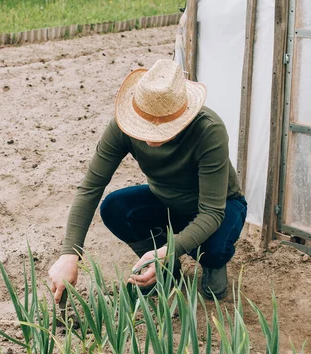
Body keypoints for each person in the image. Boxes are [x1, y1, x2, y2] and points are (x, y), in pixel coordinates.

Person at [48, 59, 247, 303]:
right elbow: (91, 187)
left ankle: (212, 265)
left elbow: (211, 212)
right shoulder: (122, 126)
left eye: (164, 127)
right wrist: (70, 253)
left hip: (218, 207)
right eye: (145, 125)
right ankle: (165, 271)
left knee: (212, 249)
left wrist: (169, 251)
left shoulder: (208, 130)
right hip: (164, 199)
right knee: (115, 208)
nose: (151, 137)